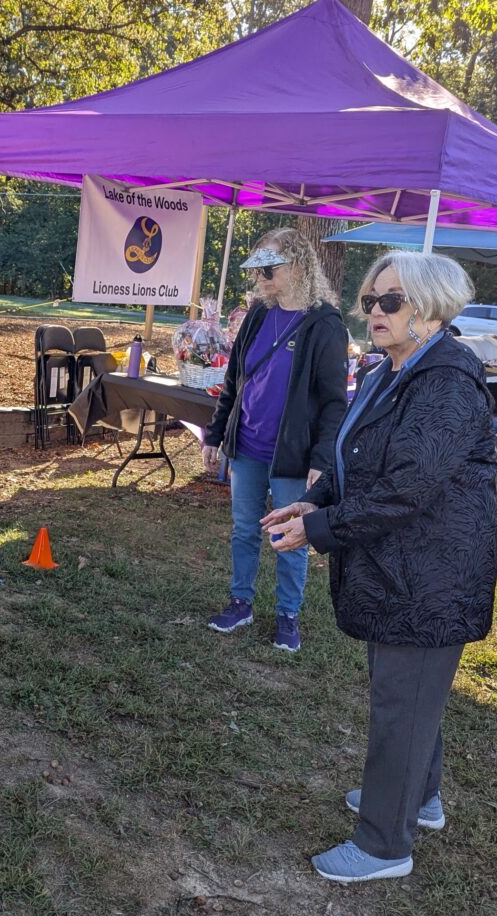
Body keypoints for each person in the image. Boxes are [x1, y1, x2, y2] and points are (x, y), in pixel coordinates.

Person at [263, 251, 497, 883]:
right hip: (397, 566)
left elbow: (405, 489)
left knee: (403, 705)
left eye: (389, 301)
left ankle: (382, 846)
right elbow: (355, 463)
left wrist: (317, 528)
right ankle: (418, 799)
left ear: (429, 309)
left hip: (431, 573)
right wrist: (316, 501)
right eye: (369, 300)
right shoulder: (387, 371)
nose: (373, 311)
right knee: (411, 699)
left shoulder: (447, 381)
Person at [202, 228, 348, 652]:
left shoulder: (325, 325)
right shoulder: (258, 314)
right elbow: (234, 380)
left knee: (289, 538)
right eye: (257, 270)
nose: (260, 278)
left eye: (269, 269)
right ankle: (240, 602)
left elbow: (334, 403)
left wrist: (320, 459)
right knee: (244, 529)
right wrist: (216, 432)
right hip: (246, 448)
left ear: (298, 265)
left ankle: (288, 614)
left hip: (293, 457)